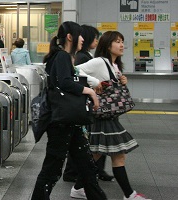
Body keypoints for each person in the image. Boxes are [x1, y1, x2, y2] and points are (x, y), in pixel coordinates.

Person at [31, 21, 107, 200]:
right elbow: (64, 82)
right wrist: (89, 91)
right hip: (62, 122)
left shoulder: (61, 56)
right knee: (52, 168)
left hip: (68, 121)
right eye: (79, 35)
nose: (82, 39)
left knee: (87, 167)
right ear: (70, 37)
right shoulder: (62, 56)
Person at [75, 31, 151, 200]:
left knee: (96, 155)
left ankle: (78, 187)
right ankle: (129, 194)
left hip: (107, 116)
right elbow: (74, 70)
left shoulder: (114, 65)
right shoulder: (99, 62)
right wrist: (94, 83)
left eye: (122, 41)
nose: (122, 45)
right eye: (117, 42)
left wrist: (123, 80)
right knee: (118, 155)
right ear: (107, 45)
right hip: (103, 116)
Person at [63, 25, 114, 186]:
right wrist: (94, 85)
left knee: (84, 139)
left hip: (85, 103)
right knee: (83, 139)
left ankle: (86, 172)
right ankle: (76, 173)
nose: (95, 41)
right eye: (94, 37)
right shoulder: (80, 57)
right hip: (82, 104)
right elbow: (75, 74)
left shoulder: (85, 55)